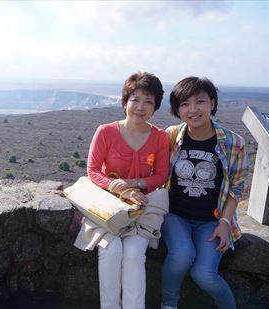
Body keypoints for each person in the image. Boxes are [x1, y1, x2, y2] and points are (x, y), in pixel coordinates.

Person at [161, 77, 249, 309]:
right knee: (182, 255)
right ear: (177, 110)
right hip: (175, 215)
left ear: (212, 103)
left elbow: (236, 188)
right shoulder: (170, 136)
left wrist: (224, 222)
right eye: (184, 104)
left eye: (199, 101)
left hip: (212, 221)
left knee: (205, 275)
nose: (192, 110)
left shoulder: (233, 143)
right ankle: (168, 305)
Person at [85, 72, 170, 309]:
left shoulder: (160, 138)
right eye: (135, 99)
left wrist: (136, 185)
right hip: (107, 207)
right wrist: (115, 185)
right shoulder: (106, 132)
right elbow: (92, 171)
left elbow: (162, 175)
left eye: (148, 101)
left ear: (155, 107)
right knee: (111, 251)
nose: (140, 107)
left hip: (141, 208)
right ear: (125, 102)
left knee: (133, 254)